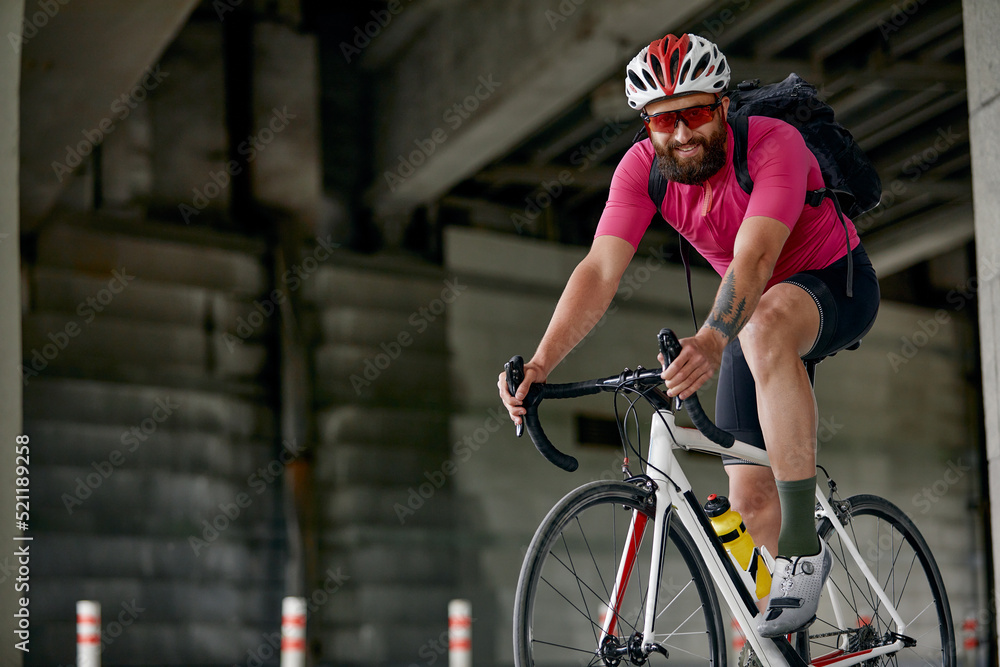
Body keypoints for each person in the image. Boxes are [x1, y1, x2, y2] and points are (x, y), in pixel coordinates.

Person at [498, 33, 880, 637]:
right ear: (646, 124)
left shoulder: (773, 144)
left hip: (834, 284)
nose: (681, 133)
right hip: (746, 316)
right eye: (663, 120)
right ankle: (793, 643)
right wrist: (542, 362)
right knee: (750, 502)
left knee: (766, 325)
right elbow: (599, 270)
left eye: (696, 113)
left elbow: (754, 261)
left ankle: (805, 546)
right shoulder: (642, 171)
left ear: (723, 106)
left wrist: (708, 340)